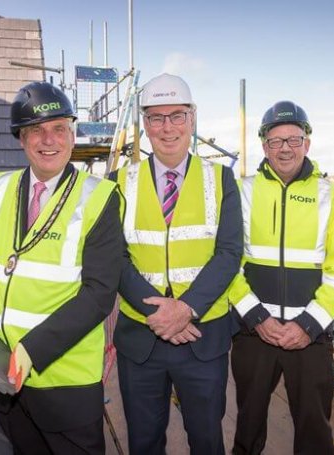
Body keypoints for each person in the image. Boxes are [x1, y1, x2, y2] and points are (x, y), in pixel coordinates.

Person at [0, 81, 122, 454]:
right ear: (21, 138)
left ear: (72, 133)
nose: (49, 140)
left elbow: (99, 295)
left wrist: (32, 349)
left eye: (59, 128)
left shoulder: (100, 198)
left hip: (65, 383)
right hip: (2, 373)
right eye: (36, 130)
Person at [109, 73, 242, 455]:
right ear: (144, 124)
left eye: (177, 116)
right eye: (156, 117)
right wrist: (161, 312)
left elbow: (229, 252)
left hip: (201, 337)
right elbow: (114, 256)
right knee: (144, 442)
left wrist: (184, 309)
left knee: (207, 441)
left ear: (193, 118)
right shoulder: (119, 181)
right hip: (142, 340)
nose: (167, 127)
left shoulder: (221, 179)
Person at [228, 101, 334, 455]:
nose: (284, 148)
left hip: (309, 336)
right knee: (247, 425)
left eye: (293, 140)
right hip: (254, 333)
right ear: (264, 146)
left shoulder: (330, 193)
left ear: (307, 143)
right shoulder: (242, 191)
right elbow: (228, 264)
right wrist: (256, 319)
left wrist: (308, 325)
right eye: (275, 140)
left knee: (315, 431)